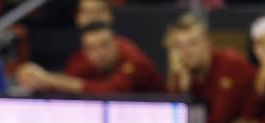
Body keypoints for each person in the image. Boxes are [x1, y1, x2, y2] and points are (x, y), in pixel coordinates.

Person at [16, 21, 165, 95]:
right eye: (91, 48)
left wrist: (48, 79)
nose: (99, 53)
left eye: (104, 45)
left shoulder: (134, 60)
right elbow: (69, 81)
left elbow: (112, 91)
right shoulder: (82, 59)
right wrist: (36, 79)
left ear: (116, 43)